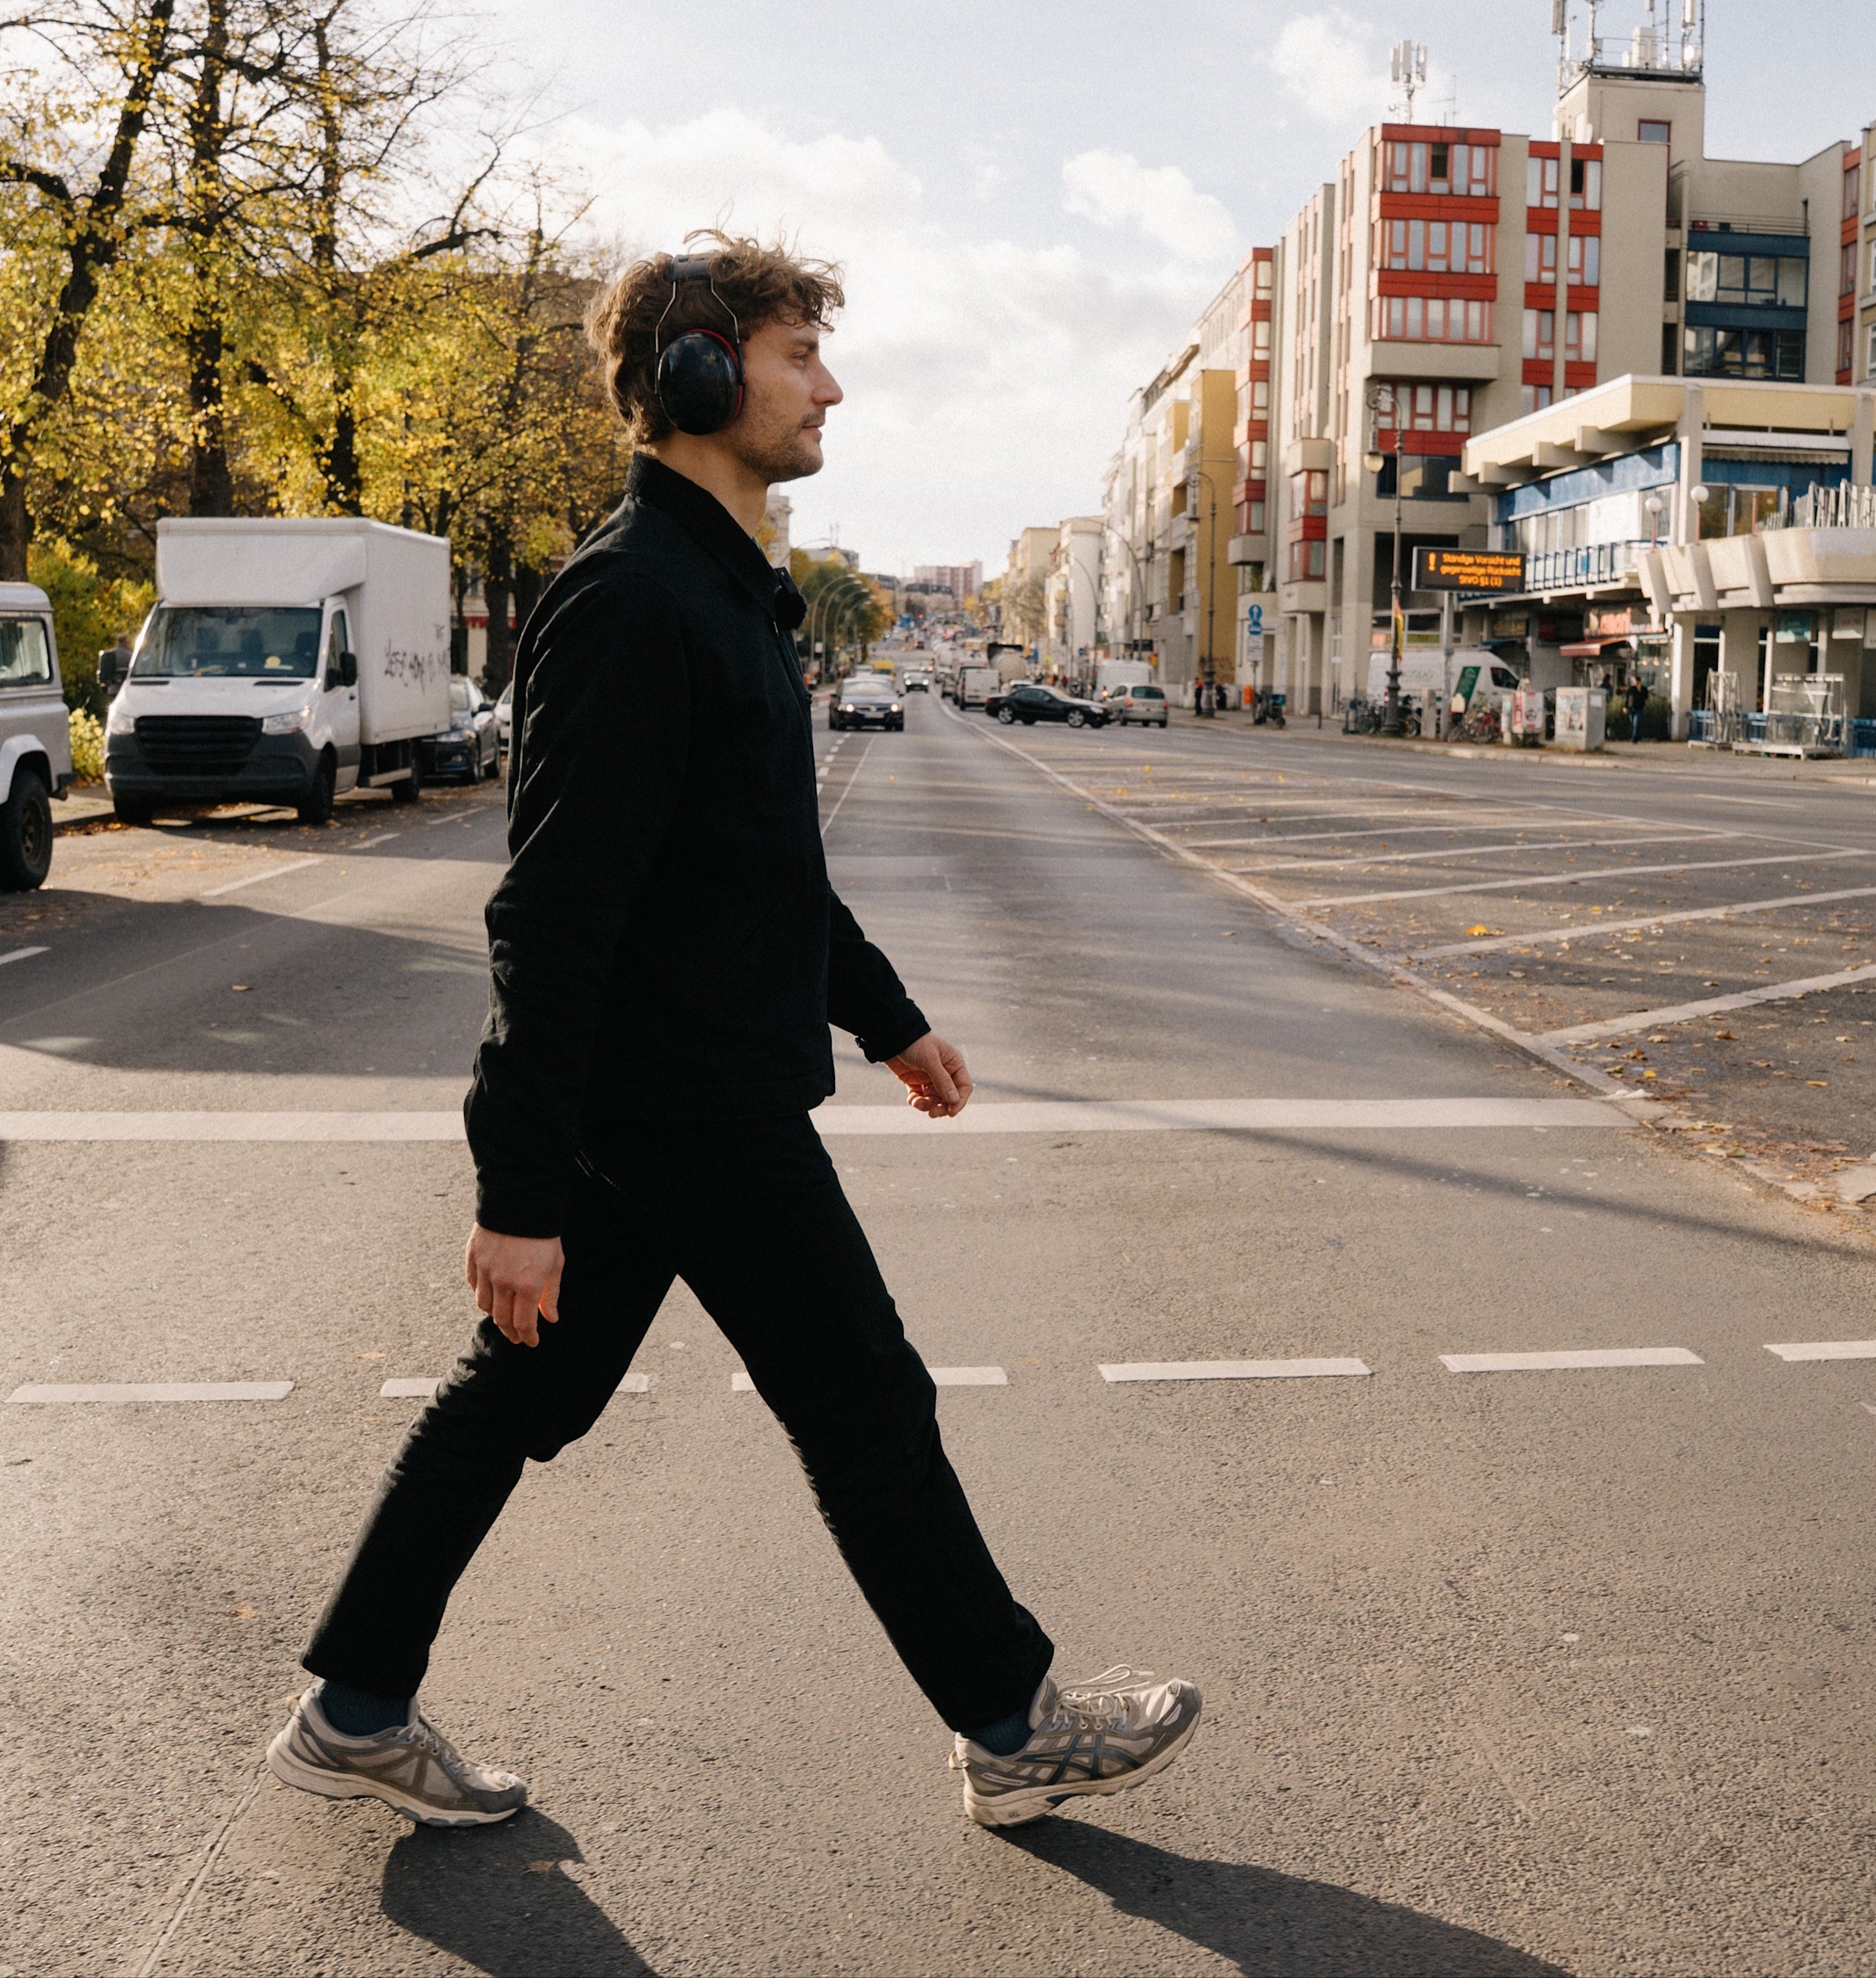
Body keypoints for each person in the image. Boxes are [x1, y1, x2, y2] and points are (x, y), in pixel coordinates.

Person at [265, 233, 1201, 1833]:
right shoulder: (633, 600)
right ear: (699, 378)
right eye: (794, 358)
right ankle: (1009, 1719)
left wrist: (888, 1020)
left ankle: (356, 1708)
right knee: (864, 1401)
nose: (829, 385)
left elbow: (758, 868)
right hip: (686, 1110)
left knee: (523, 1397)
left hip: (673, 1102)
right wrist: (517, 1189)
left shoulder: (720, 590)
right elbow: (549, 913)